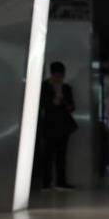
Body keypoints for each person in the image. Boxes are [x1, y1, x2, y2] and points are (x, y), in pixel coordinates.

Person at [37, 61, 78, 190]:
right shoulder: (44, 87)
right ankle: (46, 182)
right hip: (49, 125)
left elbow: (72, 107)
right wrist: (54, 101)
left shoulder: (66, 88)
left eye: (61, 75)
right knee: (48, 155)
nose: (59, 78)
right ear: (52, 74)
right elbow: (43, 105)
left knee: (61, 155)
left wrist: (65, 102)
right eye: (57, 75)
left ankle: (61, 182)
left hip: (63, 125)